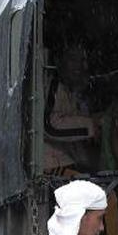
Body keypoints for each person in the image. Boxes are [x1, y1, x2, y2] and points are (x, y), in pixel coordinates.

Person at [44, 44, 103, 173]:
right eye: (72, 59)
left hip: (65, 163)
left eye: (82, 60)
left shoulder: (71, 90)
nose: (79, 66)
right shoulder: (53, 86)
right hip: (52, 164)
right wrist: (91, 124)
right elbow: (49, 126)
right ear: (60, 61)